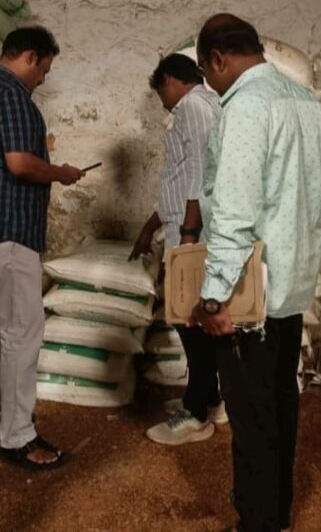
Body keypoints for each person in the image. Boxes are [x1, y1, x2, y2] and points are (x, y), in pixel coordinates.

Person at [192, 14, 321, 532]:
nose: (211, 82)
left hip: (250, 296)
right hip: (291, 289)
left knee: (251, 417)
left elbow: (233, 213)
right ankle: (274, 514)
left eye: (207, 72)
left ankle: (256, 521)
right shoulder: (311, 108)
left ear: (216, 59)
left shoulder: (247, 108)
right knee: (280, 404)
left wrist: (213, 298)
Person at [0, 26, 85, 470]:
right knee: (22, 336)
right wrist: (60, 172)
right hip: (12, 232)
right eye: (45, 70)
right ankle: (18, 437)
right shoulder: (14, 94)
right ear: (30, 57)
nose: (43, 80)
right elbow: (18, 162)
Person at [130, 53, 226, 445]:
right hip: (183, 226)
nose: (163, 102)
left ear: (171, 80)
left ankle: (196, 413)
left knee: (191, 323)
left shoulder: (193, 106)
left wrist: (187, 235)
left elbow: (199, 175)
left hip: (192, 231)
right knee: (193, 320)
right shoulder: (202, 107)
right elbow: (179, 178)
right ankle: (211, 399)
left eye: (161, 92)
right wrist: (152, 226)